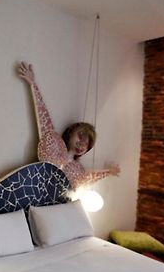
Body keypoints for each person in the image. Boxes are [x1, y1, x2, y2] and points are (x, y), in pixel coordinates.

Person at [17, 61, 120, 189]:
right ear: (71, 132)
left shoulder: (77, 171)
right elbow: (43, 119)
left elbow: (88, 178)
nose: (81, 144)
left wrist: (108, 172)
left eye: (86, 145)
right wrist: (33, 84)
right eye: (81, 136)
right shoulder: (55, 144)